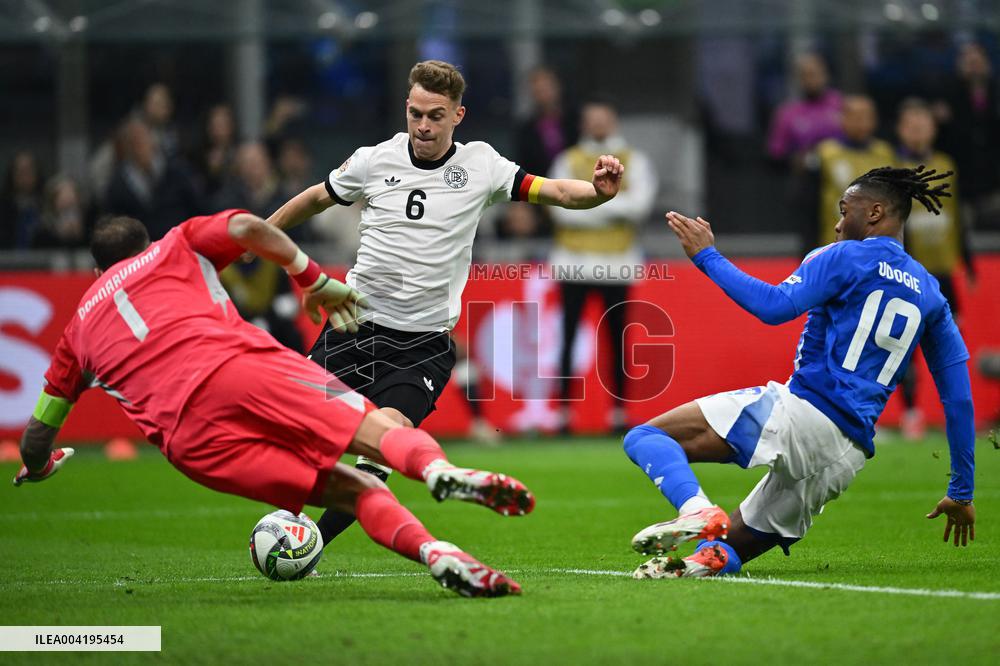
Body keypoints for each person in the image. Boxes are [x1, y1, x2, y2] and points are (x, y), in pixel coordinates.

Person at [12, 208, 534, 598]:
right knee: (375, 431)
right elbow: (245, 227)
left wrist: (40, 466)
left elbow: (36, 435)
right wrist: (313, 277)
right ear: (144, 242)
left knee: (346, 492)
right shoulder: (173, 245)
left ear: (96, 268)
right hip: (245, 367)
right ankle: (437, 472)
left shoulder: (77, 330)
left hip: (191, 441)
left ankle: (432, 552)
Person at [266, 59, 623, 547]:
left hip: (422, 346)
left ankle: (311, 542)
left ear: (458, 115)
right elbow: (315, 197)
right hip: (354, 327)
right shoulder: (374, 160)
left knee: (386, 440)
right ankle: (292, 518)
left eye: (436, 115)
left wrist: (597, 194)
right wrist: (263, 236)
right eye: (416, 114)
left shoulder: (482, 164)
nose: (423, 126)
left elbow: (556, 190)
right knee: (299, 430)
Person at [623, 166, 975, 579]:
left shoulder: (842, 256)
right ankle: (690, 566)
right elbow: (958, 399)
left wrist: (707, 256)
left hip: (805, 412)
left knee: (646, 437)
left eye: (846, 210)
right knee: (719, 552)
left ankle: (696, 510)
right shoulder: (931, 291)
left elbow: (773, 307)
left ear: (876, 212)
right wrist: (962, 491)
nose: (839, 223)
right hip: (847, 455)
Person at [548, 100, 658, 433]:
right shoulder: (567, 159)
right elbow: (556, 208)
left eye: (603, 118)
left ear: (613, 121)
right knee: (566, 338)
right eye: (591, 119)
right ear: (583, 123)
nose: (597, 124)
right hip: (573, 263)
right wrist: (611, 204)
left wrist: (585, 206)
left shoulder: (635, 160)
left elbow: (639, 207)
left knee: (618, 339)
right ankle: (564, 414)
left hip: (617, 264)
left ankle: (618, 413)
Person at [894, 98, 973, 439]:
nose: (917, 131)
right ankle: (911, 413)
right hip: (910, 273)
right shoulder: (893, 169)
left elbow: (958, 218)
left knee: (950, 344)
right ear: (900, 130)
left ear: (933, 128)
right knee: (905, 346)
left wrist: (967, 262)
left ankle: (955, 411)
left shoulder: (946, 164)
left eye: (922, 124)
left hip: (944, 272)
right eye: (910, 126)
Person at [811, 95, 894, 247]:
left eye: (866, 117)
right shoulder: (826, 153)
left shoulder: (885, 153)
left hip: (876, 246)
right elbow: (810, 203)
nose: (861, 122)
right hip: (836, 244)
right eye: (855, 117)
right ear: (843, 118)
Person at [767, 53, 842, 165]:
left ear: (825, 75)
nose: (810, 80)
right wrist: (794, 159)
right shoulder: (788, 113)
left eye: (814, 74)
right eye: (805, 75)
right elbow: (775, 153)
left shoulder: (841, 105)